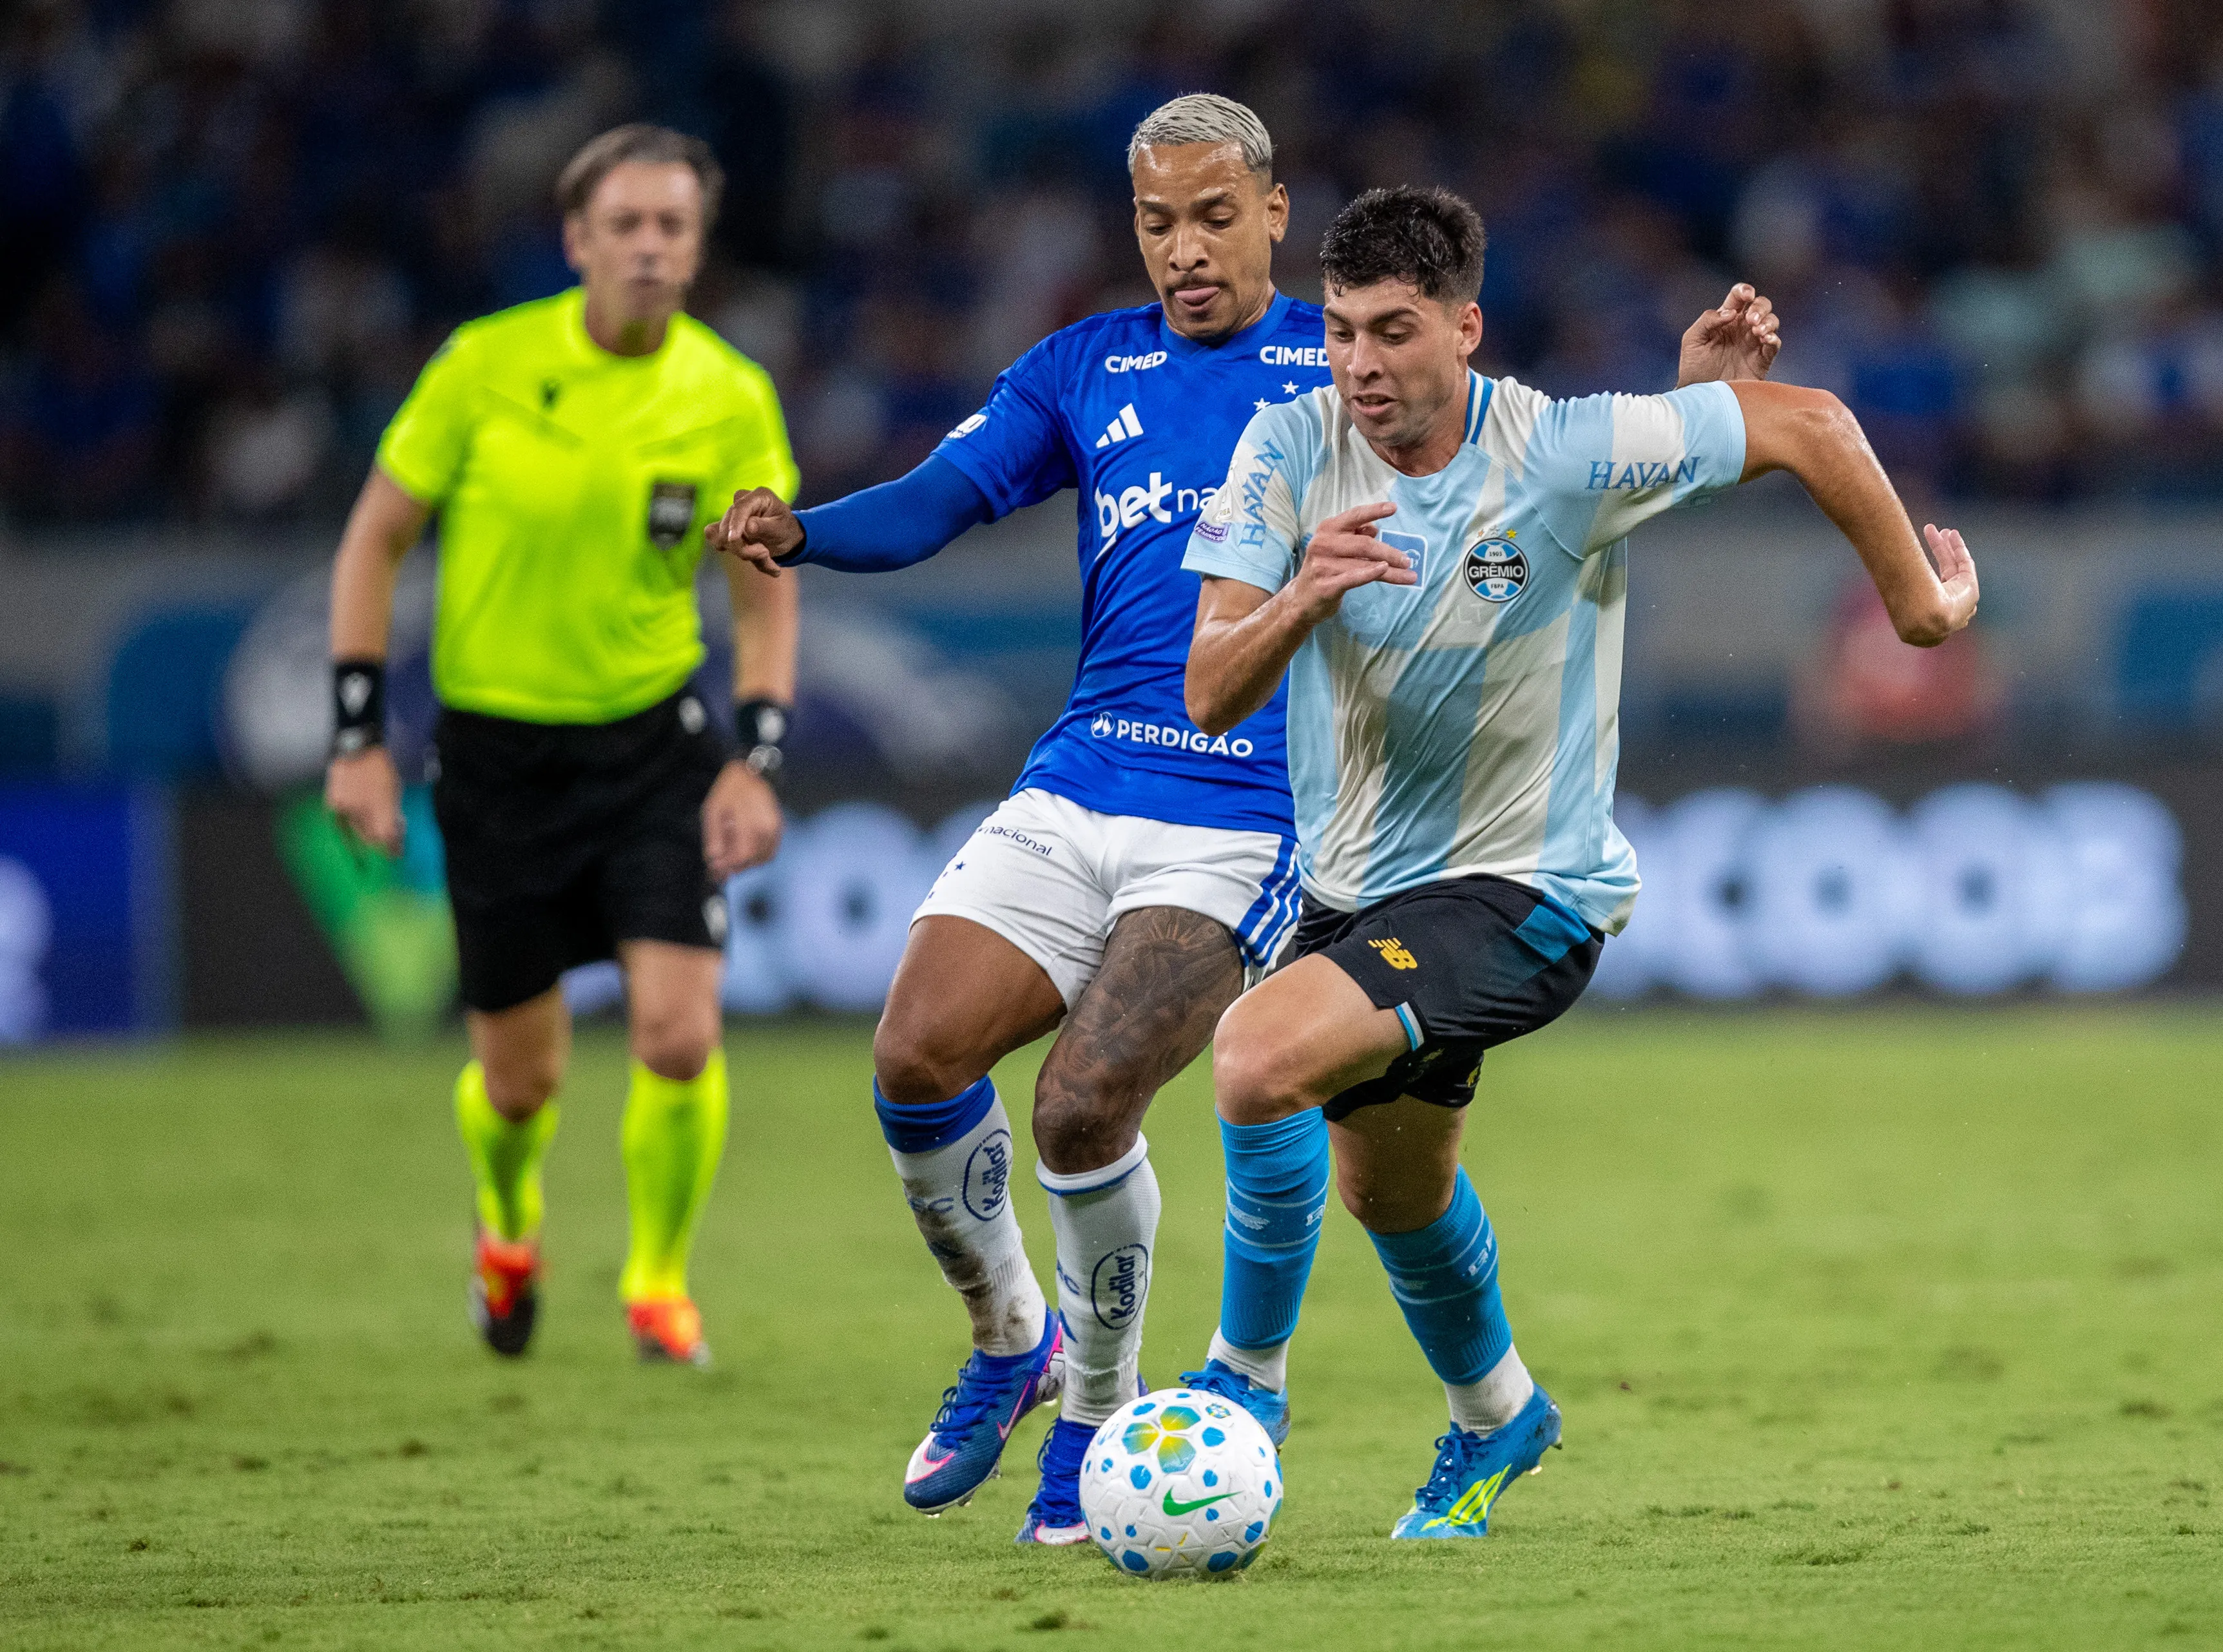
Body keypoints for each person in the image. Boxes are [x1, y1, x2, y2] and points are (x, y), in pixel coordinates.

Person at [714, 95, 1781, 1544]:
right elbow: (941, 499)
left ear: (1276, 213)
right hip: (1084, 774)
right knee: (916, 1054)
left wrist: (1690, 404)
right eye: (1157, 222)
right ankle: (1011, 1335)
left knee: (1113, 1096)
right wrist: (807, 528)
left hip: (1260, 810)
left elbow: (1530, 485)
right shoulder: (1085, 367)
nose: (1184, 249)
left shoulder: (1344, 363)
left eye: (1214, 216)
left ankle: (1136, 1402)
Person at [1177, 186, 1976, 1539]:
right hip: (1355, 893)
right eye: (1338, 332)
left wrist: (1921, 607)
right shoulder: (1286, 447)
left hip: (1527, 890)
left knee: (1257, 1054)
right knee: (1392, 1188)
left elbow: (1818, 427)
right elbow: (1207, 687)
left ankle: (1242, 1388)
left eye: (1393, 331)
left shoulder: (1560, 453)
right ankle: (1500, 1414)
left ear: (1465, 329)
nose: (1360, 364)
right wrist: (1303, 593)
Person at [324, 124, 799, 1369]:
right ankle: (509, 1224)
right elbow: (376, 539)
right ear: (577, 238)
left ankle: (656, 1283)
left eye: (672, 228)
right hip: (495, 763)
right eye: (625, 225)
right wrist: (358, 738)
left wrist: (756, 753)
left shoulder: (728, 393)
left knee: (679, 1036)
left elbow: (762, 585)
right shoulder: (484, 366)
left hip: (655, 748)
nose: (648, 247)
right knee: (522, 1084)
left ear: (697, 248)